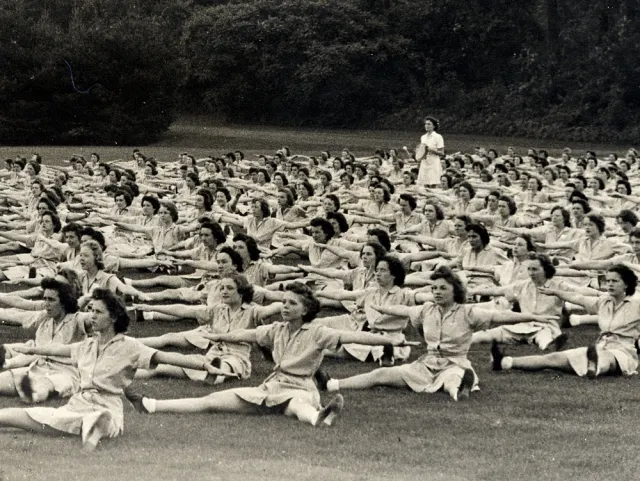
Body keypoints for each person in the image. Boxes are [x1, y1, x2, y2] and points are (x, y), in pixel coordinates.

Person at [125, 283, 409, 427]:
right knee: (212, 401)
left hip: (300, 388)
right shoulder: (277, 329)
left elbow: (353, 336)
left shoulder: (318, 332)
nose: (285, 307)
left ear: (306, 309)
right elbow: (247, 335)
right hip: (269, 387)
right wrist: (220, 336)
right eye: (284, 302)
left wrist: (390, 340)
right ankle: (151, 404)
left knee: (297, 406)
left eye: (292, 304)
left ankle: (320, 417)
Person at [0, 289, 227, 451]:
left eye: (98, 312)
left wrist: (202, 364)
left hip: (108, 406)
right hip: (76, 405)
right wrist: (23, 349)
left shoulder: (130, 347)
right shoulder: (86, 345)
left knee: (101, 418)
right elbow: (55, 349)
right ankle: (88, 428)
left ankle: (94, 430)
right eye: (91, 311)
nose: (92, 316)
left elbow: (166, 357)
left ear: (114, 317)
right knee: (7, 415)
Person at [317, 267, 558, 401]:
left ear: (456, 291)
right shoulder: (426, 309)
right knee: (381, 374)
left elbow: (500, 317)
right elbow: (401, 309)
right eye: (434, 288)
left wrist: (534, 317)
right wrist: (380, 307)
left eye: (443, 288)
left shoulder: (467, 312)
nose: (437, 292)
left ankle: (459, 390)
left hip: (455, 363)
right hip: (425, 364)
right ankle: (333, 384)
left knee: (452, 379)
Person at [492, 264, 640, 379]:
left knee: (606, 358)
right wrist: (555, 292)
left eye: (615, 281)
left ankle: (595, 366)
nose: (610, 284)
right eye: (608, 281)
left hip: (623, 352)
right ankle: (505, 362)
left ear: (626, 284)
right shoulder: (603, 301)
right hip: (600, 346)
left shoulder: (636, 303)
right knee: (553, 358)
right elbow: (578, 298)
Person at [416, 117, 444, 187]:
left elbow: (442, 153)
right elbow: (422, 151)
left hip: (433, 163)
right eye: (426, 124)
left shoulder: (438, 137)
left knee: (433, 184)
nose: (427, 126)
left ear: (434, 126)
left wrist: (432, 150)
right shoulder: (423, 137)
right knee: (423, 184)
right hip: (424, 162)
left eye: (429, 124)